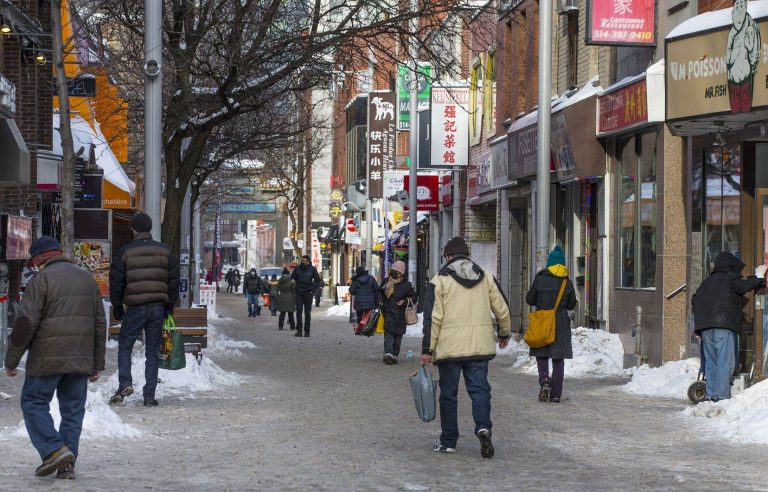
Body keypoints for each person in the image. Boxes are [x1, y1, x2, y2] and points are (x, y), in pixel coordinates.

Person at [4, 237, 106, 479]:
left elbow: (24, 323)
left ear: (40, 259)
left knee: (33, 402)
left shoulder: (42, 280)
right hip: (80, 360)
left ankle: (53, 450)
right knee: (72, 411)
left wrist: (10, 361)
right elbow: (100, 323)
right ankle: (66, 464)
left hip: (46, 359)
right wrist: (97, 363)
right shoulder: (87, 279)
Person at [421, 237, 511, 459]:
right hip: (479, 347)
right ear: (467, 255)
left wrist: (427, 349)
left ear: (448, 257)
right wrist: (504, 333)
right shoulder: (486, 276)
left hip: (449, 349)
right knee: (480, 391)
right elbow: (502, 308)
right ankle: (483, 428)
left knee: (448, 396)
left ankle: (449, 441)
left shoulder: (439, 279)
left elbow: (433, 318)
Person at [109, 213, 179, 407]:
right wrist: (169, 305)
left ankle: (125, 383)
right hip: (157, 307)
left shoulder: (125, 252)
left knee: (125, 345)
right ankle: (149, 395)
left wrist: (117, 305)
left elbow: (116, 282)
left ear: (133, 229)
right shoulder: (165, 251)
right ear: (150, 229)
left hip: (135, 308)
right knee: (152, 351)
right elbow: (173, 281)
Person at [692, 251, 764, 401]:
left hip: (705, 327)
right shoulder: (730, 278)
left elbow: (695, 299)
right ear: (731, 266)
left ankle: (711, 394)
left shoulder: (707, 282)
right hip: (723, 326)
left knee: (711, 362)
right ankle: (721, 396)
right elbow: (744, 286)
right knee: (726, 362)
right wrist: (759, 276)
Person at [525, 245, 577, 404]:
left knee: (542, 355)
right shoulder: (567, 283)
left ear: (549, 263)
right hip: (560, 323)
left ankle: (545, 381)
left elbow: (530, 300)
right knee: (558, 359)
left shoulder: (540, 279)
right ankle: (555, 394)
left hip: (542, 321)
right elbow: (571, 305)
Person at [379, 261, 416, 364]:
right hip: (388, 313)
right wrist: (381, 303)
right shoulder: (386, 281)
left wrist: (404, 301)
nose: (394, 272)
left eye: (397, 271)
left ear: (402, 273)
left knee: (398, 335)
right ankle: (388, 354)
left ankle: (394, 355)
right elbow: (379, 293)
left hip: (400, 315)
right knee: (389, 334)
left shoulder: (407, 285)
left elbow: (414, 297)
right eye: (393, 270)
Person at [291, 255, 321, 337]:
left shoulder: (312, 269)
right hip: (299, 293)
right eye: (302, 260)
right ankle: (299, 331)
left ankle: (307, 332)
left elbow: (318, 280)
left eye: (304, 261)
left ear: (308, 262)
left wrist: (313, 290)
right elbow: (292, 278)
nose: (302, 262)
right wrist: (293, 282)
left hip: (308, 293)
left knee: (307, 314)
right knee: (299, 312)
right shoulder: (297, 269)